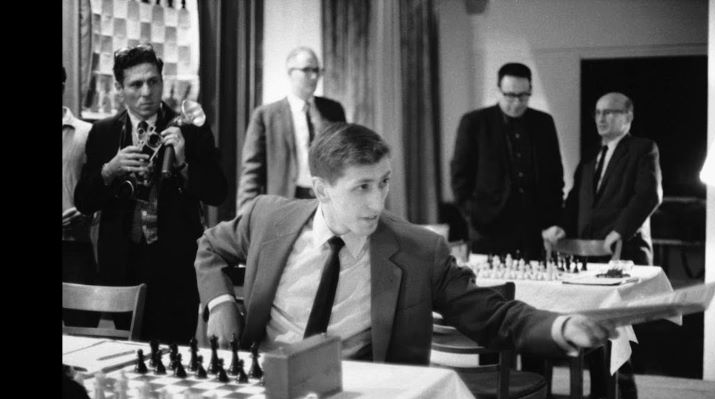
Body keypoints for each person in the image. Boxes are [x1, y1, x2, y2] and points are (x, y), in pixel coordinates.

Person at [195, 122, 618, 370]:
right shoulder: (268, 216)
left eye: (383, 182)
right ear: (322, 190)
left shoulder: (419, 249)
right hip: (262, 377)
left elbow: (492, 314)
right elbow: (209, 248)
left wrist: (560, 327)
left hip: (357, 391)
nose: (377, 202)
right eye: (361, 187)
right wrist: (220, 304)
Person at [75, 44, 227, 344]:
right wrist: (109, 170)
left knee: (173, 356)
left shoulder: (191, 128)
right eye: (136, 85)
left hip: (177, 268)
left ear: (161, 80)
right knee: (127, 357)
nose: (146, 92)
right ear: (119, 88)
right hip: (122, 270)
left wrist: (183, 163)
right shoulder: (103, 133)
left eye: (153, 81)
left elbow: (217, 192)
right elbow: (84, 201)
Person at [545, 91, 663, 399]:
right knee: (593, 323)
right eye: (598, 112)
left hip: (624, 250)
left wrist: (618, 231)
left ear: (628, 117)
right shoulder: (590, 156)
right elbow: (575, 201)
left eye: (609, 112)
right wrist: (562, 227)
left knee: (610, 324)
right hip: (589, 254)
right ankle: (613, 389)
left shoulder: (642, 149)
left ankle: (610, 390)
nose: (601, 118)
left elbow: (648, 196)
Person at [450, 62, 564, 262]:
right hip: (487, 227)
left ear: (530, 90)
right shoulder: (474, 122)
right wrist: (473, 214)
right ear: (498, 91)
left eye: (523, 96)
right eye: (510, 95)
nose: (517, 102)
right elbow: (460, 176)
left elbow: (555, 176)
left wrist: (553, 220)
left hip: (534, 229)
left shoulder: (544, 123)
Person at [237, 46, 346, 213]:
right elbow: (252, 171)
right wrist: (245, 214)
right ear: (290, 72)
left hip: (326, 203)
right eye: (307, 70)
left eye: (317, 70)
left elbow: (345, 159)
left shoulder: (333, 110)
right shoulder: (266, 116)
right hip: (285, 204)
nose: (314, 76)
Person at [63, 66, 99, 327]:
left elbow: (102, 190)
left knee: (82, 328)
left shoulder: (87, 133)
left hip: (76, 247)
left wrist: (89, 211)